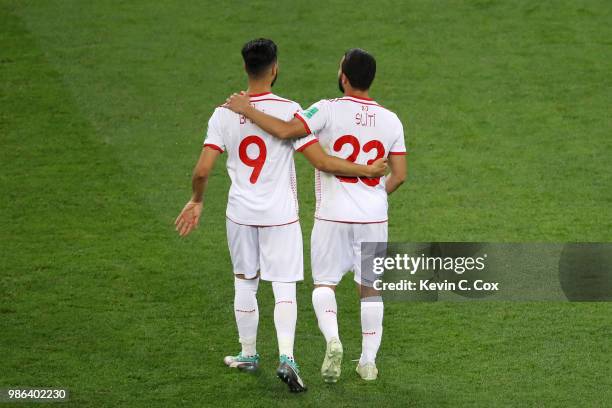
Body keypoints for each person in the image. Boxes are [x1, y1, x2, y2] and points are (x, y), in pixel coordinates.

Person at [175, 39, 387, 393]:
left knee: (245, 281)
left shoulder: (223, 113)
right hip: (281, 216)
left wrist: (196, 200)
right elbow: (321, 162)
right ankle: (287, 358)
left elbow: (201, 170)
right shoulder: (290, 109)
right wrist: (366, 169)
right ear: (275, 69)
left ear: (246, 69)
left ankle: (248, 353)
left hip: (240, 214)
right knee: (284, 286)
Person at [225, 48, 407, 382]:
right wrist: (375, 195)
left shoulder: (325, 109)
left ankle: (333, 339)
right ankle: (367, 362)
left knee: (324, 284)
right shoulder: (391, 119)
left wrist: (248, 109)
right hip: (374, 217)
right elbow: (400, 174)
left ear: (344, 77)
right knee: (371, 287)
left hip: (332, 215)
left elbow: (284, 131)